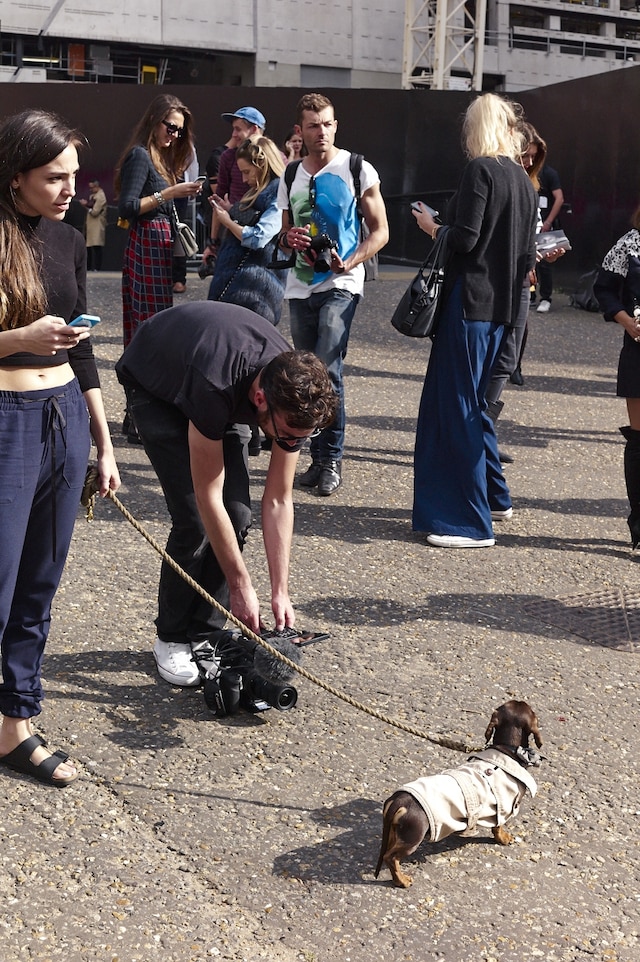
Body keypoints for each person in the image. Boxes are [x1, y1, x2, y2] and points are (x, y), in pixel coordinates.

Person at [115, 303, 337, 687]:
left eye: (300, 439)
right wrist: (241, 586)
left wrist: (280, 593)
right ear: (262, 400)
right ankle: (169, 637)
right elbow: (207, 495)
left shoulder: (292, 400)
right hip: (158, 382)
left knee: (238, 515)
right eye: (285, 436)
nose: (290, 444)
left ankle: (204, 629)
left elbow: (279, 500)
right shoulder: (215, 385)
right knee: (194, 520)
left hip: (220, 377)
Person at [0, 109, 120, 787]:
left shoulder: (70, 240)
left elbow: (85, 347)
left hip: (64, 417)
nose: (72, 187)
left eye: (75, 174)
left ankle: (15, 723)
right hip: (6, 416)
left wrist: (103, 443)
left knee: (39, 586)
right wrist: (19, 339)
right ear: (16, 177)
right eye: (54, 177)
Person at [412, 93, 538, 548]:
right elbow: (525, 257)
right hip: (503, 311)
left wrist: (433, 228)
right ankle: (494, 496)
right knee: (474, 406)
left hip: (469, 307)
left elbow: (465, 240)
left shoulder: (480, 170)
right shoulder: (523, 181)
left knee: (455, 409)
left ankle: (466, 522)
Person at [275, 92, 389, 496]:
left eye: (327, 123)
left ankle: (331, 460)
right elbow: (285, 233)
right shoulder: (291, 175)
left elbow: (380, 231)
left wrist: (353, 260)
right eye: (312, 125)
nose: (320, 131)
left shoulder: (357, 168)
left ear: (335, 125)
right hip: (300, 284)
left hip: (342, 284)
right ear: (300, 130)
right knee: (308, 375)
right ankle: (316, 460)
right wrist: (287, 238)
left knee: (329, 369)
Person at [486, 122, 566, 460]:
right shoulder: (494, 179)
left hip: (521, 281)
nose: (528, 163)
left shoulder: (531, 187)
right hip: (493, 283)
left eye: (533, 159)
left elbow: (524, 240)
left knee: (506, 359)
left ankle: (484, 434)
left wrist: (541, 253)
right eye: (524, 156)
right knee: (490, 358)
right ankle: (478, 437)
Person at [114, 93, 202, 349]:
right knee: (148, 318)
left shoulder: (162, 158)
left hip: (160, 242)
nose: (174, 135)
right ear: (154, 120)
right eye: (171, 127)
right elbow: (127, 207)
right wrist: (169, 193)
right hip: (147, 240)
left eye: (179, 131)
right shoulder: (140, 155)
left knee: (158, 316)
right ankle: (143, 374)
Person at [594, 207, 640, 550]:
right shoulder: (631, 244)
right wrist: (625, 320)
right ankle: (639, 526)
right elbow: (604, 289)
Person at [207, 137, 286, 325]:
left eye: (247, 172)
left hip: (256, 292)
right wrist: (231, 209)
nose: (244, 179)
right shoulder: (261, 191)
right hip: (245, 289)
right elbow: (255, 218)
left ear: (262, 164)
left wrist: (228, 221)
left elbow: (258, 237)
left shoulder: (278, 193)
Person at [201, 106, 266, 271]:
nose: (234, 134)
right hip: (233, 236)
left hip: (265, 237)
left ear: (254, 129)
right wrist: (213, 243)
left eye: (238, 129)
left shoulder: (277, 159)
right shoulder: (228, 157)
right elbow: (219, 200)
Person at [535, 157, 564, 314]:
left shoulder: (549, 174)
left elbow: (559, 198)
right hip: (529, 223)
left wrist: (548, 222)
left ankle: (545, 298)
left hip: (545, 226)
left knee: (545, 262)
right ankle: (530, 294)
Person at [80, 179, 107, 271]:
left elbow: (95, 212)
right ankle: (90, 267)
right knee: (89, 247)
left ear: (97, 186)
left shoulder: (100, 196)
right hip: (91, 225)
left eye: (92, 187)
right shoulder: (94, 195)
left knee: (96, 247)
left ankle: (96, 267)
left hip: (97, 225)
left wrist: (86, 205)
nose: (90, 189)